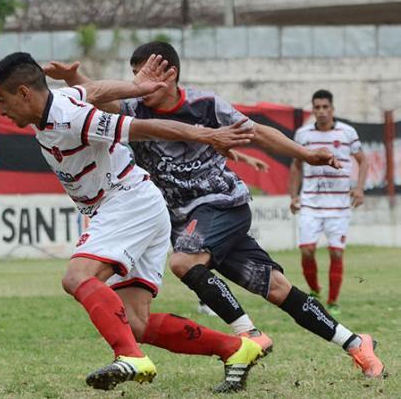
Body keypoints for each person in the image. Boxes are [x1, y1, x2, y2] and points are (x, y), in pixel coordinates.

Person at [44, 41, 384, 378]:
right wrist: (76, 78)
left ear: (169, 73)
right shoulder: (134, 108)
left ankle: (248, 336)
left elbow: (258, 132)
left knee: (182, 261)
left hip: (223, 204)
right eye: (134, 75)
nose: (139, 82)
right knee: (277, 288)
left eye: (145, 73)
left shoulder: (204, 104)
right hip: (186, 220)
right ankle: (356, 343)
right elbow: (93, 97)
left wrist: (306, 155)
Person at [0, 51, 265, 393]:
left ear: (24, 93)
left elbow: (144, 128)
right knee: (135, 323)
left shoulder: (73, 119)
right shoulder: (59, 99)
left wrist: (207, 136)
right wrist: (135, 87)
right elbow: (98, 90)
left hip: (126, 202)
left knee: (78, 277)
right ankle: (237, 348)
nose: (1, 110)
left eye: (2, 99)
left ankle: (130, 358)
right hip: (134, 205)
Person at [289, 89, 368, 316]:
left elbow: (363, 161)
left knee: (336, 253)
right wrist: (293, 195)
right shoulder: (303, 134)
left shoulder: (347, 132)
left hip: (339, 205)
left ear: (332, 109)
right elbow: (296, 166)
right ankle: (314, 289)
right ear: (312, 109)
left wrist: (359, 189)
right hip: (311, 203)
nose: (321, 111)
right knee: (307, 250)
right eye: (317, 107)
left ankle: (333, 301)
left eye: (325, 107)